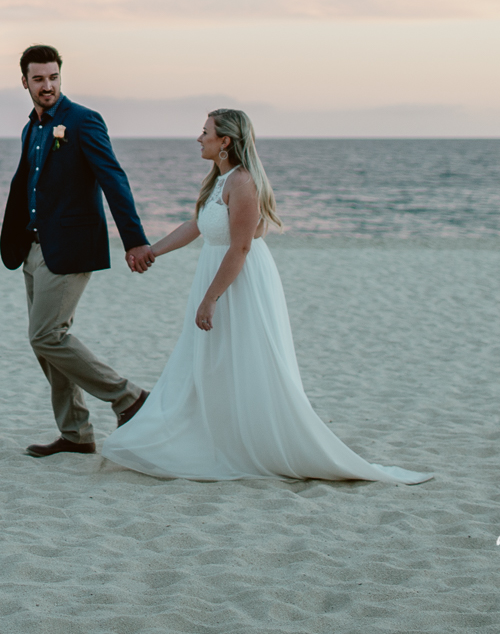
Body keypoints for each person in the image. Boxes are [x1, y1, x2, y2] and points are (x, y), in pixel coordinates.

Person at [101, 108, 432, 484]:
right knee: (212, 361)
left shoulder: (242, 183)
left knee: (247, 360)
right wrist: (152, 251)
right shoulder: (218, 179)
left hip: (239, 282)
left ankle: (251, 443)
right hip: (217, 272)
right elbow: (197, 225)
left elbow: (240, 248)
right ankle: (214, 436)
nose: (199, 138)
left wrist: (210, 299)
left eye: (205, 131)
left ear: (224, 141)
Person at [0, 45, 154, 458]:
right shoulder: (30, 128)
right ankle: (76, 434)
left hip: (69, 247)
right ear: (25, 82)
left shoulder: (83, 120)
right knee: (45, 342)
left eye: (53, 77)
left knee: (47, 334)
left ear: (60, 77)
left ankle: (129, 398)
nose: (47, 86)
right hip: (33, 248)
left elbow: (113, 178)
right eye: (38, 79)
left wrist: (134, 239)